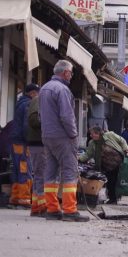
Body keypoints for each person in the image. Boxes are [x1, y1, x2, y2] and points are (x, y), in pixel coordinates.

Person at [39, 60, 89, 222]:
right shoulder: (62, 90)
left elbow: (40, 115)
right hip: (63, 137)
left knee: (50, 172)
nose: (72, 75)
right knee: (69, 172)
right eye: (71, 72)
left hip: (47, 136)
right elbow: (67, 116)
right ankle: (69, 210)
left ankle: (52, 209)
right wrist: (73, 135)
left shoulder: (44, 88)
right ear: (66, 72)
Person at [78, 126, 128, 204]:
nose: (91, 136)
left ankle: (125, 195)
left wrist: (127, 149)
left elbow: (122, 140)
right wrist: (79, 159)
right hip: (106, 165)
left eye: (92, 134)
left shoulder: (110, 135)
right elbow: (87, 154)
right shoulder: (92, 143)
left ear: (98, 133)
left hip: (118, 162)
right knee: (110, 182)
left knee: (121, 180)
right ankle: (113, 199)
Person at [9, 84, 40, 208]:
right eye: (37, 94)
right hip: (23, 142)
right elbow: (27, 126)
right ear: (32, 93)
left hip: (16, 141)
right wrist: (30, 140)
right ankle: (24, 199)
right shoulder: (28, 104)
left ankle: (15, 198)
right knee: (25, 169)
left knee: (17, 169)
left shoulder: (20, 103)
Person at [25, 86, 47, 216]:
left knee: (40, 174)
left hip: (39, 142)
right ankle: (41, 207)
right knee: (41, 174)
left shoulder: (39, 101)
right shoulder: (38, 100)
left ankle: (37, 206)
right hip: (39, 142)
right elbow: (33, 121)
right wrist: (50, 122)